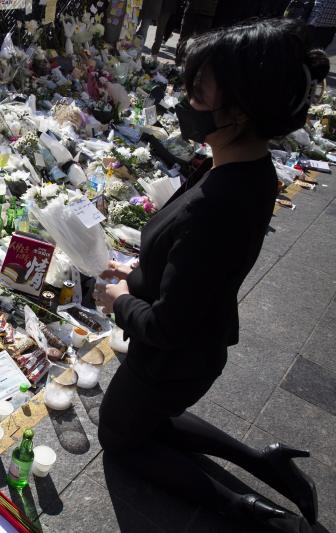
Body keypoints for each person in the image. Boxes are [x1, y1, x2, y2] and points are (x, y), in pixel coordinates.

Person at [93, 19, 329, 533]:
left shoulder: (220, 200)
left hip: (174, 357)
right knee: (149, 420)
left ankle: (252, 513)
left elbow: (169, 324)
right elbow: (195, 263)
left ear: (240, 111)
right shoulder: (244, 167)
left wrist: (118, 300)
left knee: (119, 437)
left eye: (198, 93)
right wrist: (141, 269)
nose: (185, 102)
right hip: (198, 344)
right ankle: (265, 462)